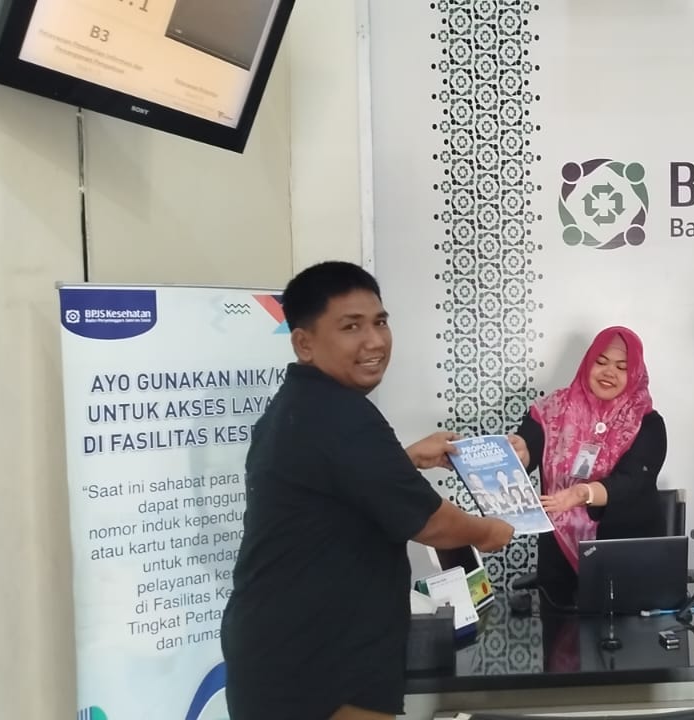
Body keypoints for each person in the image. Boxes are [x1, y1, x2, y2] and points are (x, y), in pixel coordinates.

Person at [220, 261, 515, 720]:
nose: (375, 341)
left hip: (280, 647)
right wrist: (490, 531)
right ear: (304, 343)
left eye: (380, 322)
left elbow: (336, 486)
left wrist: (406, 458)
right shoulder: (341, 416)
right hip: (318, 658)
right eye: (351, 326)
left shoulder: (299, 405)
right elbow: (433, 524)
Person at [508, 326, 668, 605]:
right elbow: (529, 448)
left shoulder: (648, 423)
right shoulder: (552, 409)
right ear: (587, 362)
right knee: (558, 630)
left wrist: (582, 493)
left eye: (622, 367)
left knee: (627, 633)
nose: (609, 372)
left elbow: (632, 481)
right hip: (558, 557)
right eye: (601, 362)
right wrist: (519, 452)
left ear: (634, 374)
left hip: (624, 553)